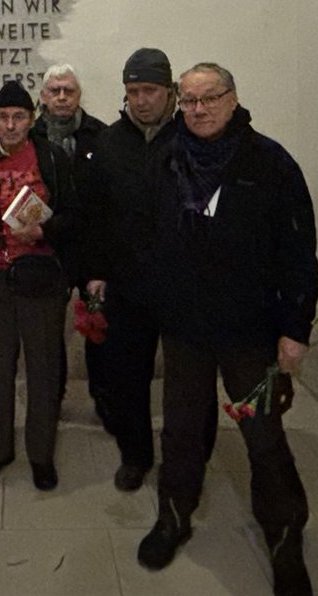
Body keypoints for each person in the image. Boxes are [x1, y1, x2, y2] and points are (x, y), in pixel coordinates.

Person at [139, 62, 318, 596]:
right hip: (186, 330)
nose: (197, 110)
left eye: (208, 98)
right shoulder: (167, 158)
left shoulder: (269, 163)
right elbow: (147, 236)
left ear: (233, 99)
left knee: (263, 437)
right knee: (182, 430)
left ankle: (286, 541)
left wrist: (296, 327)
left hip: (250, 330)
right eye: (188, 100)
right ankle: (173, 516)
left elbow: (297, 252)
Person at [0, 80, 79, 491]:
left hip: (42, 281)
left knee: (43, 371)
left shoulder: (52, 158)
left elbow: (73, 215)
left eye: (19, 117)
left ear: (32, 119)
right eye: (3, 117)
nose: (11, 125)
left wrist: (44, 230)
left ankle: (41, 455)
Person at [81, 47, 184, 491]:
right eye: (132, 91)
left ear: (170, 92)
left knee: (185, 381)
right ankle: (136, 455)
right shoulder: (110, 143)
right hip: (127, 283)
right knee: (128, 376)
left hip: (182, 285)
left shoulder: (191, 137)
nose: (141, 100)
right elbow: (94, 216)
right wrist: (95, 272)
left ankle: (183, 459)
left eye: (149, 90)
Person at [31, 63, 105, 402]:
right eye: (54, 90)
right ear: (43, 97)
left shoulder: (101, 136)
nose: (62, 97)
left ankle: (103, 396)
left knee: (98, 327)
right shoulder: (29, 138)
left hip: (92, 254)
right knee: (47, 333)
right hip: (49, 252)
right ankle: (52, 397)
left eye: (69, 90)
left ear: (78, 96)